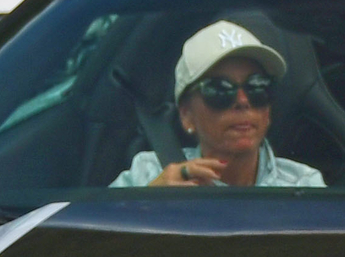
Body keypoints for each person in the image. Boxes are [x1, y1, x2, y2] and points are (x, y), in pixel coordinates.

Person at [113, 20, 326, 188]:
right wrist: (146, 203)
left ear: (268, 111)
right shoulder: (148, 173)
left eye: (257, 88)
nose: (243, 101)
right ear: (187, 115)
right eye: (220, 90)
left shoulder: (303, 185)